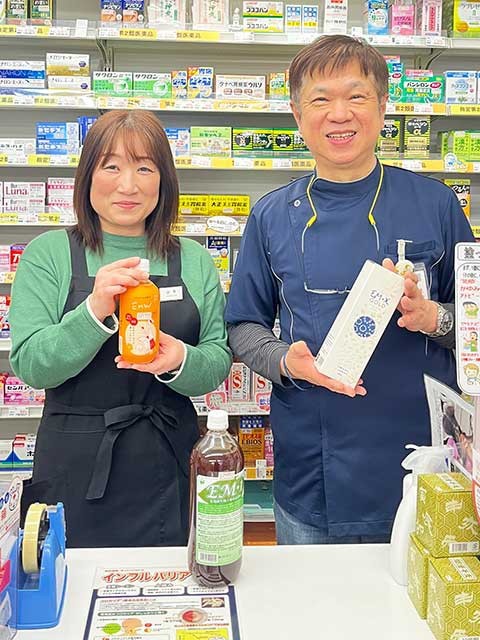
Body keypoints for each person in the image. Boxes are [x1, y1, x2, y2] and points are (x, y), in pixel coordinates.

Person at [225, 35, 475, 544]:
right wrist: (285, 361)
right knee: (314, 594)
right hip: (313, 466)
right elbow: (243, 326)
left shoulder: (436, 204)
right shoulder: (271, 215)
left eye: (356, 96)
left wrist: (435, 318)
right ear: (298, 115)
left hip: (425, 461)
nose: (339, 114)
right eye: (320, 99)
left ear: (382, 106)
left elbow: (473, 320)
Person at [10, 110, 231, 548]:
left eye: (144, 168)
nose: (128, 185)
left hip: (169, 455)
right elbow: (31, 365)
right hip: (75, 463)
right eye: (111, 166)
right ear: (87, 177)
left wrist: (179, 360)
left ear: (164, 180)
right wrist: (94, 312)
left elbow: (217, 360)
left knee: (171, 581)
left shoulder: (193, 259)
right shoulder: (48, 254)